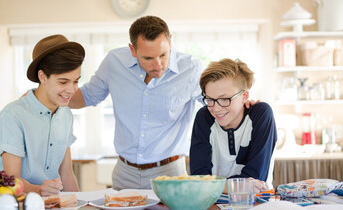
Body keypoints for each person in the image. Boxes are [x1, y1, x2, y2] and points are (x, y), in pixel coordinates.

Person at [69, 16, 255, 190]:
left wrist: (243, 103)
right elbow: (87, 96)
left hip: (169, 173)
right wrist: (51, 96)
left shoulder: (190, 68)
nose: (157, 65)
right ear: (132, 50)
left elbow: (215, 103)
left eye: (163, 55)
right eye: (148, 58)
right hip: (124, 173)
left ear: (170, 41)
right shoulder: (114, 62)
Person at [0, 34, 85, 196]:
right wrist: (39, 190)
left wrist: (79, 207)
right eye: (63, 82)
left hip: (55, 207)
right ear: (42, 77)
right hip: (18, 208)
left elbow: (66, 173)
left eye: (76, 81)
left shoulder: (65, 115)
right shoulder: (12, 116)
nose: (71, 90)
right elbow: (11, 180)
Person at [189, 58, 277, 193]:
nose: (216, 108)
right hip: (213, 205)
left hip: (257, 204)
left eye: (224, 99)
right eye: (210, 100)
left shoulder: (261, 114)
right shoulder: (204, 117)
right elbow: (199, 179)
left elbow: (256, 179)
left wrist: (212, 185)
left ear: (244, 96)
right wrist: (235, 186)